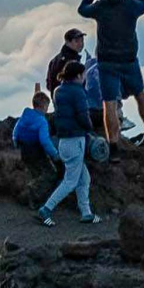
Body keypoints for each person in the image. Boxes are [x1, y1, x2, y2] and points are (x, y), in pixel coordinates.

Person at [77, 0, 144, 144]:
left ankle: (113, 145)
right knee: (140, 94)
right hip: (129, 60)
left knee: (109, 102)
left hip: (107, 62)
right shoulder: (131, 6)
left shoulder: (101, 7)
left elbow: (82, 9)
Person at [36, 61, 101, 226]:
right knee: (70, 181)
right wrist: (90, 129)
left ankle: (86, 212)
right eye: (84, 74)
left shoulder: (58, 91)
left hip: (63, 141)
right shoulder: (78, 93)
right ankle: (46, 208)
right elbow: (82, 115)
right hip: (76, 140)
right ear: (78, 75)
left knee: (84, 178)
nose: (85, 77)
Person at [13, 89, 62, 199]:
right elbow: (45, 141)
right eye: (47, 107)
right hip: (36, 153)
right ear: (43, 106)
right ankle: (32, 194)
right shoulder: (41, 121)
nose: (47, 110)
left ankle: (27, 196)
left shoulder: (25, 115)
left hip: (24, 151)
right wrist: (55, 155)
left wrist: (16, 143)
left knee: (35, 174)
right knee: (50, 174)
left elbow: (16, 131)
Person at [46, 28, 88, 96]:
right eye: (76, 41)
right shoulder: (70, 61)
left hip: (59, 100)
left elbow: (48, 85)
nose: (81, 44)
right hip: (72, 100)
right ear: (67, 42)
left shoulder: (54, 60)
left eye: (82, 41)